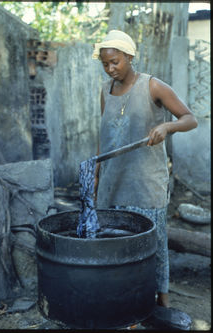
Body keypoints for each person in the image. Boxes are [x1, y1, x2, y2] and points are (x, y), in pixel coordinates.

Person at [92, 30, 198, 308]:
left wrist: (166, 126)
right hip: (112, 183)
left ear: (129, 56)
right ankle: (124, 302)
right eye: (105, 64)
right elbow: (104, 136)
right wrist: (96, 175)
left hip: (145, 183)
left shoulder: (153, 86)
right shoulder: (106, 90)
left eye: (115, 62)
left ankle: (162, 301)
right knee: (113, 244)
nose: (110, 68)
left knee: (153, 244)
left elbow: (189, 118)